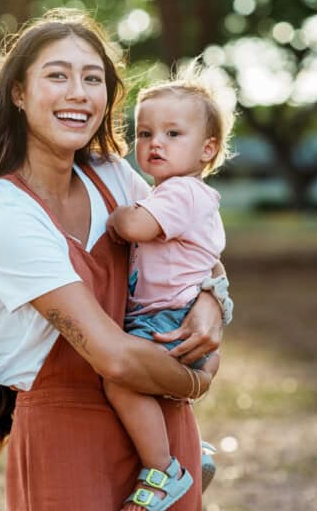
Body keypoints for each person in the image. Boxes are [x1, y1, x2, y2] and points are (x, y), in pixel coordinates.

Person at [0, 8, 231, 511]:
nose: (78, 92)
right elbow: (112, 357)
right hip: (70, 439)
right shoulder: (5, 213)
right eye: (58, 75)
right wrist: (198, 379)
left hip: (161, 440)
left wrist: (211, 300)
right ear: (19, 93)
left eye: (92, 78)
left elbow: (194, 249)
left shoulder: (112, 176)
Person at [104, 66, 235, 510]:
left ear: (207, 149)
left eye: (173, 133)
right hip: (169, 313)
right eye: (144, 133)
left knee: (121, 382)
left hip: (170, 318)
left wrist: (119, 218)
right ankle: (190, 454)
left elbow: (136, 226)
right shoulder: (171, 192)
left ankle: (165, 470)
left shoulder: (183, 193)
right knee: (147, 390)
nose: (154, 142)